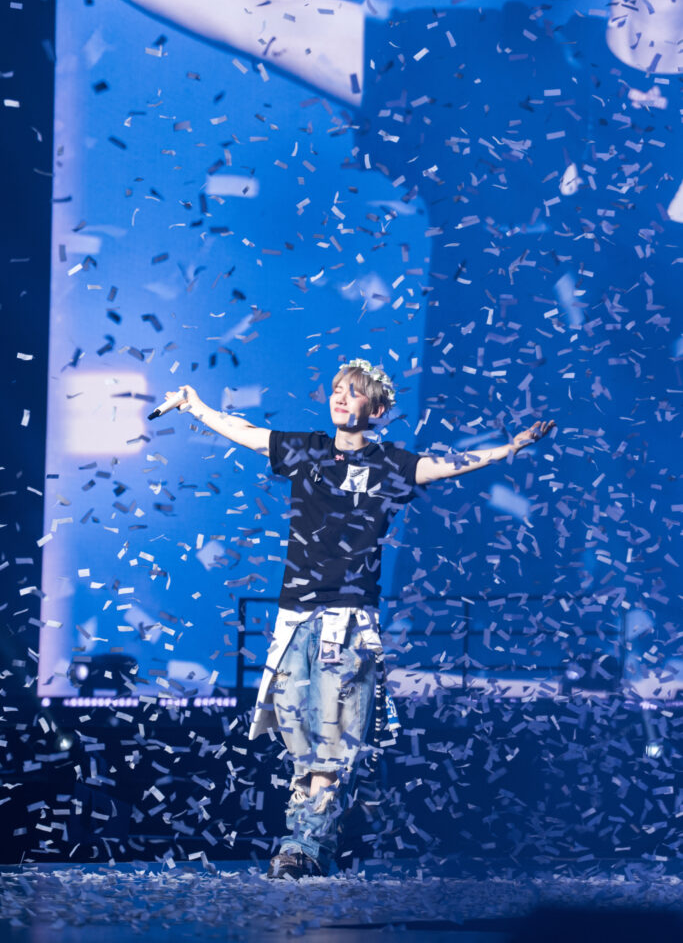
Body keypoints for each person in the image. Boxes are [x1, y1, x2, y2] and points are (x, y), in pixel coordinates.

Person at [164, 361, 554, 878]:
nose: (340, 398)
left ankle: (301, 846)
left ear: (379, 408)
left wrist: (509, 448)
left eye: (353, 392)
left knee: (334, 740)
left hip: (346, 623)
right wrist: (195, 407)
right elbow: (249, 433)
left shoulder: (391, 463)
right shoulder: (307, 450)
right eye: (336, 390)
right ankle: (313, 845)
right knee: (298, 736)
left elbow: (447, 465)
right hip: (294, 619)